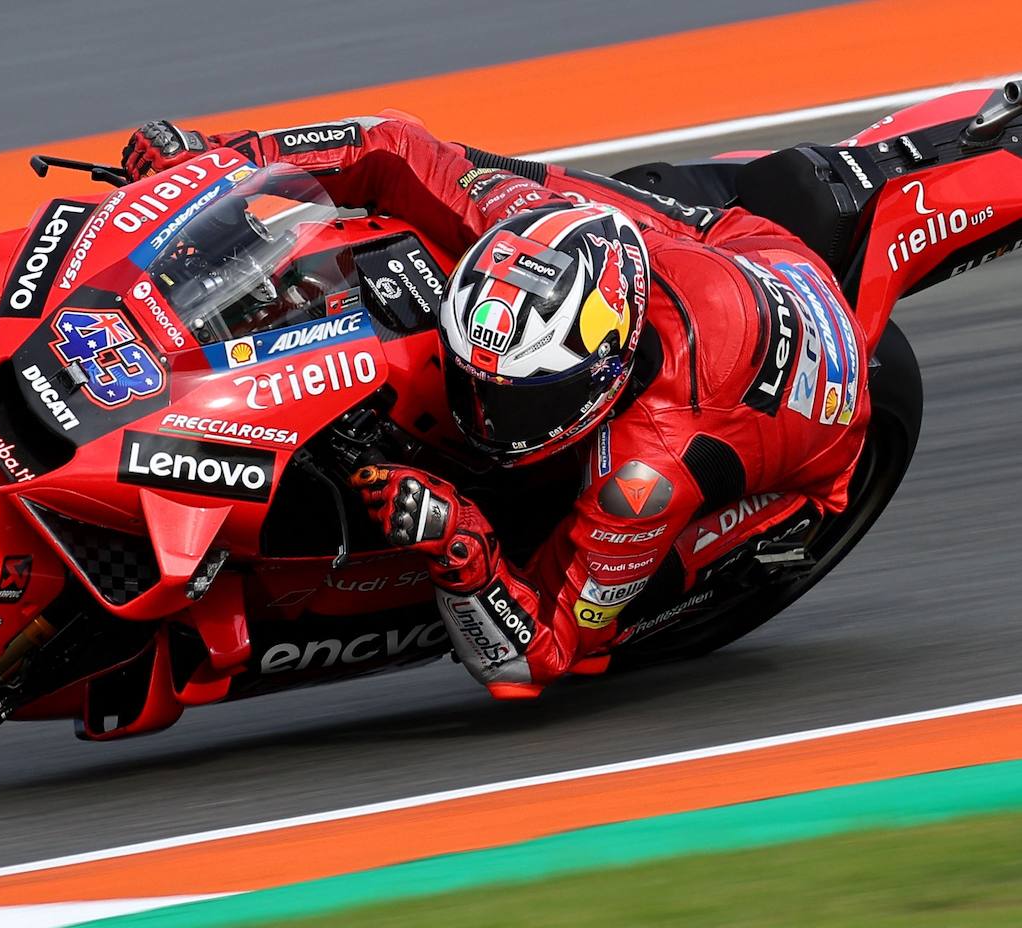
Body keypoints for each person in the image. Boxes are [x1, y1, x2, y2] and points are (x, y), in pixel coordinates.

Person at [121, 115, 873, 700]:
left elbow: (534, 659)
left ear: (600, 375)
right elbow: (390, 145)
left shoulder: (646, 473)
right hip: (715, 243)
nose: (482, 417)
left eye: (514, 400)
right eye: (475, 381)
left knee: (592, 640)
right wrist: (223, 159)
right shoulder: (518, 222)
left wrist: (463, 549)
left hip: (797, 441)